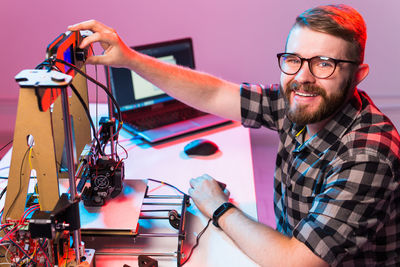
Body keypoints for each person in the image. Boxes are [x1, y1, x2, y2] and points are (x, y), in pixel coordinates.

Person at [69, 4, 400, 266]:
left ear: (358, 75)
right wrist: (131, 59)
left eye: (324, 63)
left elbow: (297, 261)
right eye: (294, 60)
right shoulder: (299, 101)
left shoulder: (369, 155)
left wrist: (218, 206)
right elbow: (215, 94)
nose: (303, 77)